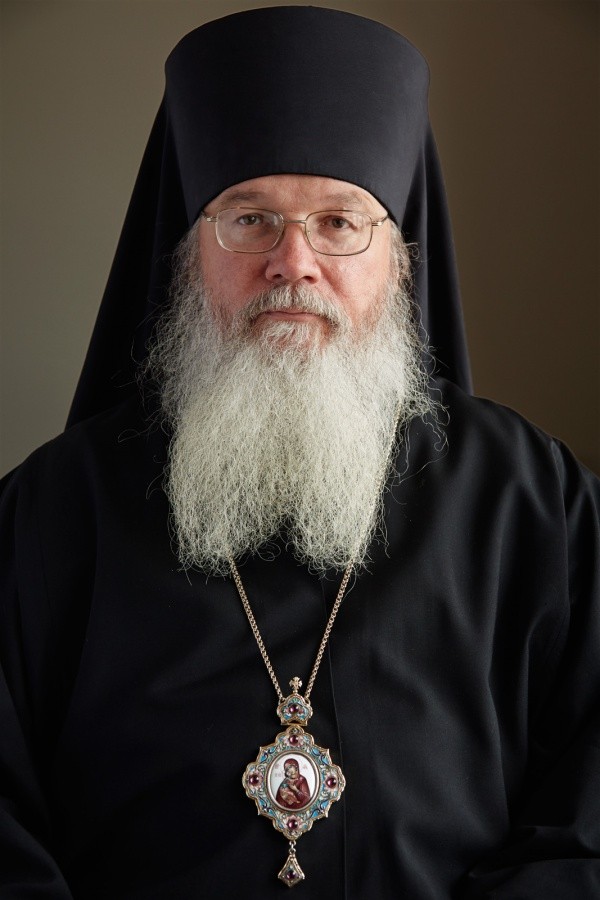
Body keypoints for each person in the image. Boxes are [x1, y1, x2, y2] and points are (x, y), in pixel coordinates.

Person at [1, 7, 598, 899]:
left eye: (338, 222)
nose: (293, 262)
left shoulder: (535, 504)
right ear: (189, 252)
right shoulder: (52, 513)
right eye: (250, 219)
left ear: (398, 255)